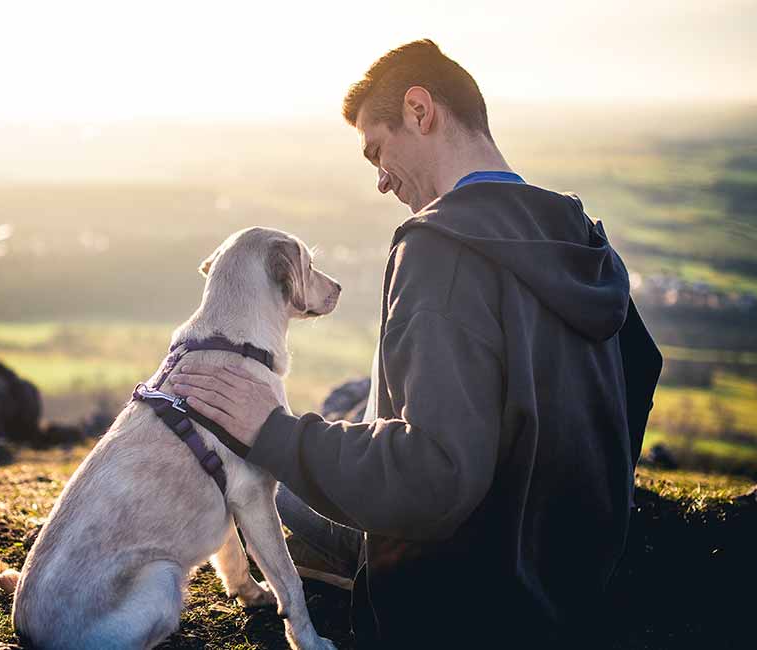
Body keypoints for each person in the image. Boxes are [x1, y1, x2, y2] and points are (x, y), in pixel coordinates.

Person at [169, 39, 662, 647]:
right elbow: (639, 373)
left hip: (470, 597)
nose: (380, 181)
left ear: (420, 110)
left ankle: (324, 565)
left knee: (280, 489)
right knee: (350, 423)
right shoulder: (580, 234)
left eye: (377, 151)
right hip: (574, 573)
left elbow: (433, 478)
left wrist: (273, 432)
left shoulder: (438, 247)